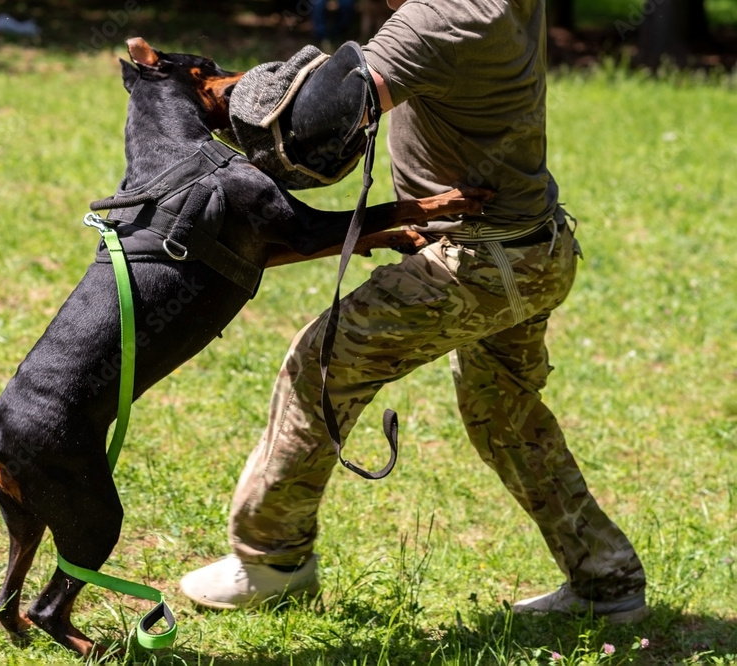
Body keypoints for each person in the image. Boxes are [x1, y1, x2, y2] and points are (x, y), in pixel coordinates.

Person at [180, 0, 649, 623]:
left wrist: (205, 101)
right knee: (504, 412)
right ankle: (606, 582)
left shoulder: (442, 18)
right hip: (535, 248)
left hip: (479, 264)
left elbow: (316, 135)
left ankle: (271, 560)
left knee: (321, 363)